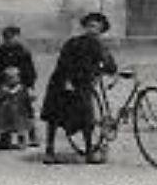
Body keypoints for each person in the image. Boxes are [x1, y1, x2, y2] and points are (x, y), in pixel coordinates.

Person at [40, 11, 117, 165]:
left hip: (83, 84)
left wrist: (105, 69)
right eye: (90, 26)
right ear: (85, 27)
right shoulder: (74, 42)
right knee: (54, 116)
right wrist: (67, 81)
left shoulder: (101, 46)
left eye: (96, 28)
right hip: (63, 81)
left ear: (101, 31)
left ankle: (89, 152)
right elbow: (64, 62)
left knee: (87, 116)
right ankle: (49, 150)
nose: (92, 30)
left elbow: (111, 66)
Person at [0, 25, 38, 149]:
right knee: (1, 108)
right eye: (6, 38)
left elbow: (30, 71)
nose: (9, 40)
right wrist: (4, 76)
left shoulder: (24, 52)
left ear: (18, 37)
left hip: (21, 84)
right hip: (3, 83)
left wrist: (28, 84)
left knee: (24, 109)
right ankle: (5, 138)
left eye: (12, 37)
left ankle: (30, 135)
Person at [0, 65, 36, 149]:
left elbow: (28, 99)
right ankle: (5, 140)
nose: (11, 80)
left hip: (19, 113)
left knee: (21, 129)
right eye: (9, 78)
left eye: (14, 77)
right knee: (5, 128)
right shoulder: (3, 88)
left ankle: (22, 141)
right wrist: (1, 95)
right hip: (6, 114)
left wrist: (30, 98)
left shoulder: (21, 88)